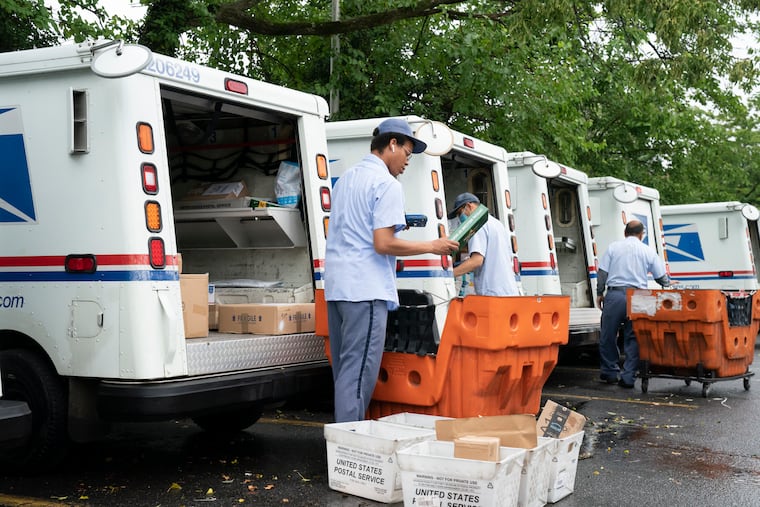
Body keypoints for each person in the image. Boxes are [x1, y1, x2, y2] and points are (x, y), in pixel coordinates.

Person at [324, 118, 459, 422]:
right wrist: (432, 246)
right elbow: (383, 243)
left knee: (345, 373)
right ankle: (348, 452)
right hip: (365, 289)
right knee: (358, 376)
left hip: (337, 288)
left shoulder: (346, 179)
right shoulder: (386, 184)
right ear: (392, 144)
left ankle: (344, 445)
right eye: (408, 153)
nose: (407, 162)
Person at [596, 220, 671, 388]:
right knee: (634, 337)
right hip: (639, 296)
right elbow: (661, 276)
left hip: (615, 295)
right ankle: (628, 377)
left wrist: (600, 293)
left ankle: (610, 372)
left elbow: (602, 273)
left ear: (625, 233)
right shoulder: (647, 251)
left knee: (608, 334)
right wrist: (668, 284)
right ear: (641, 235)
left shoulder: (613, 248)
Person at [449, 193, 519, 296]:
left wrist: (449, 275)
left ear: (469, 206)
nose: (460, 219)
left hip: (492, 293)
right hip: (509, 291)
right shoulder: (497, 223)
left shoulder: (477, 224)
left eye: (460, 213)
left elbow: (476, 261)